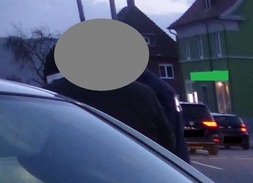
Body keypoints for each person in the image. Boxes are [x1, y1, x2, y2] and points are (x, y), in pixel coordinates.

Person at [44, 45, 176, 154]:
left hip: (80, 180)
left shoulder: (55, 94)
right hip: (143, 177)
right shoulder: (144, 92)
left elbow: (44, 151)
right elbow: (168, 144)